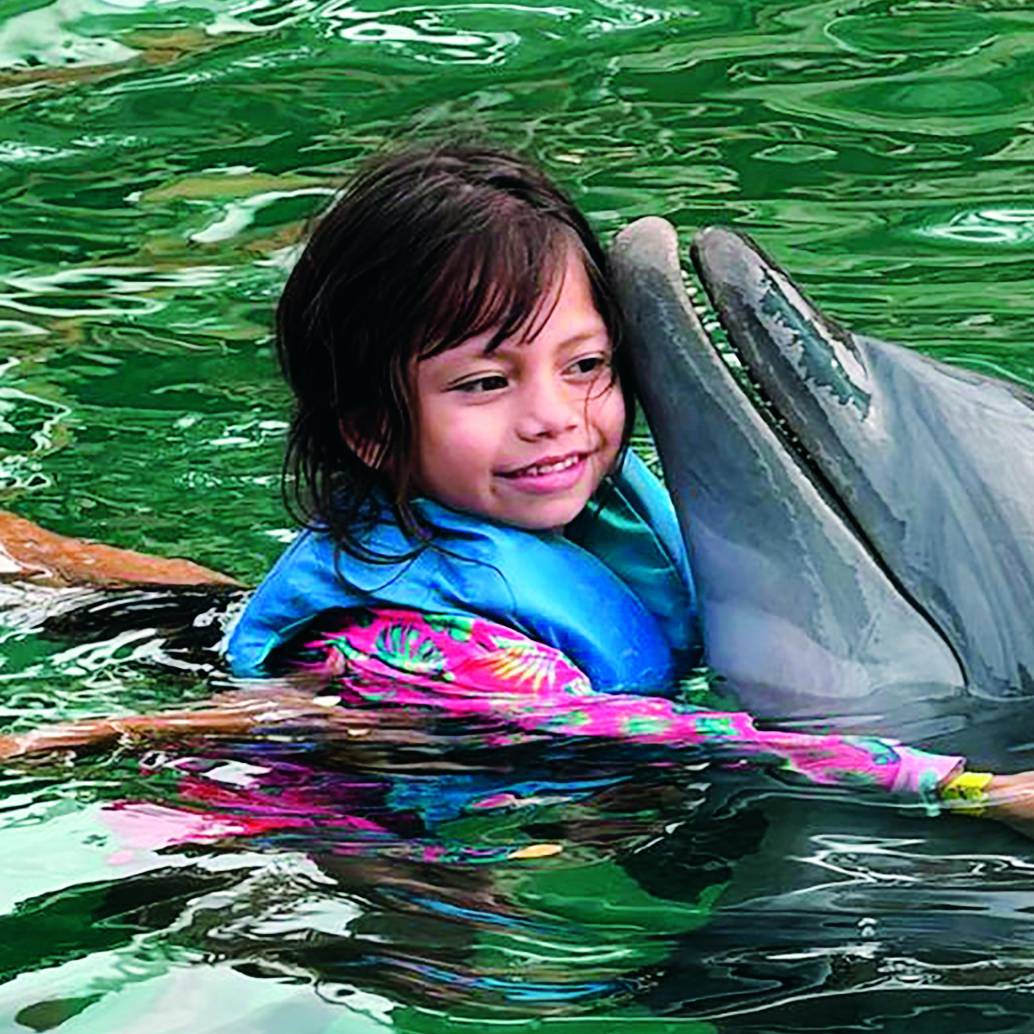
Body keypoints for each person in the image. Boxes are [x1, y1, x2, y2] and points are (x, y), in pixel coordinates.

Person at [1, 141, 1031, 830]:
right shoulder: (457, 651)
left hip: (383, 670)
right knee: (435, 954)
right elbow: (667, 737)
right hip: (359, 797)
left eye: (585, 366)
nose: (554, 417)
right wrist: (959, 785)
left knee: (190, 612)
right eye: (486, 382)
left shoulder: (561, 510)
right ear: (370, 430)